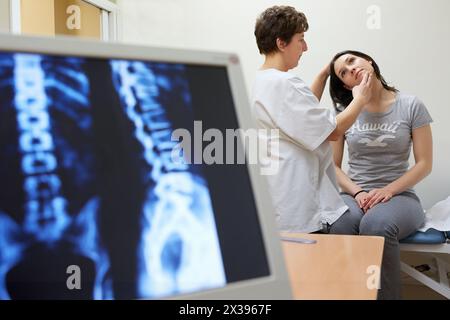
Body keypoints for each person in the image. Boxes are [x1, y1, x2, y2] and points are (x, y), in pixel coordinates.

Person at [252, 6, 374, 234]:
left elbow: (303, 115)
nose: (305, 47)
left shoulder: (264, 82)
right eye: (301, 40)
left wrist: (323, 73)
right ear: (281, 43)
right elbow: (332, 131)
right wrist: (360, 99)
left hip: (281, 200)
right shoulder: (284, 84)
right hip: (298, 204)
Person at [328, 50, 433, 299]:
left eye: (352, 61)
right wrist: (358, 191)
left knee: (376, 225)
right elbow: (332, 166)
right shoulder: (345, 115)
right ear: (345, 84)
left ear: (370, 62)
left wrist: (387, 191)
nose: (350, 69)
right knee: (339, 224)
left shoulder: (410, 105)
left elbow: (424, 164)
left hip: (400, 196)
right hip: (355, 195)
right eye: (343, 71)